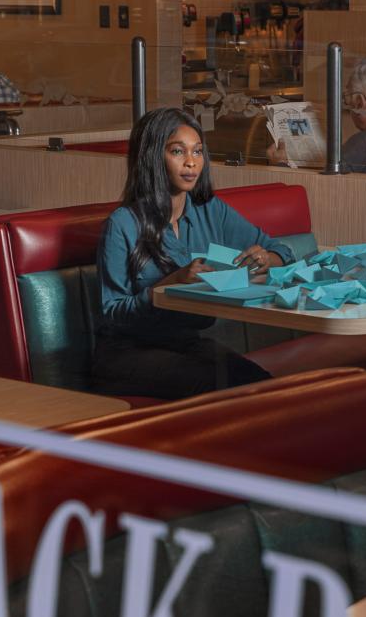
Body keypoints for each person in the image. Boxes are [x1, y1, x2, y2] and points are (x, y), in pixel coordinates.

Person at [94, 107, 292, 399]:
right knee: (221, 386)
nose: (191, 163)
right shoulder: (122, 224)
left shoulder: (210, 210)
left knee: (267, 387)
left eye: (198, 152)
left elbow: (282, 250)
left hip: (187, 344)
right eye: (177, 151)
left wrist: (266, 259)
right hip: (126, 354)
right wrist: (171, 282)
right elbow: (112, 313)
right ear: (152, 156)